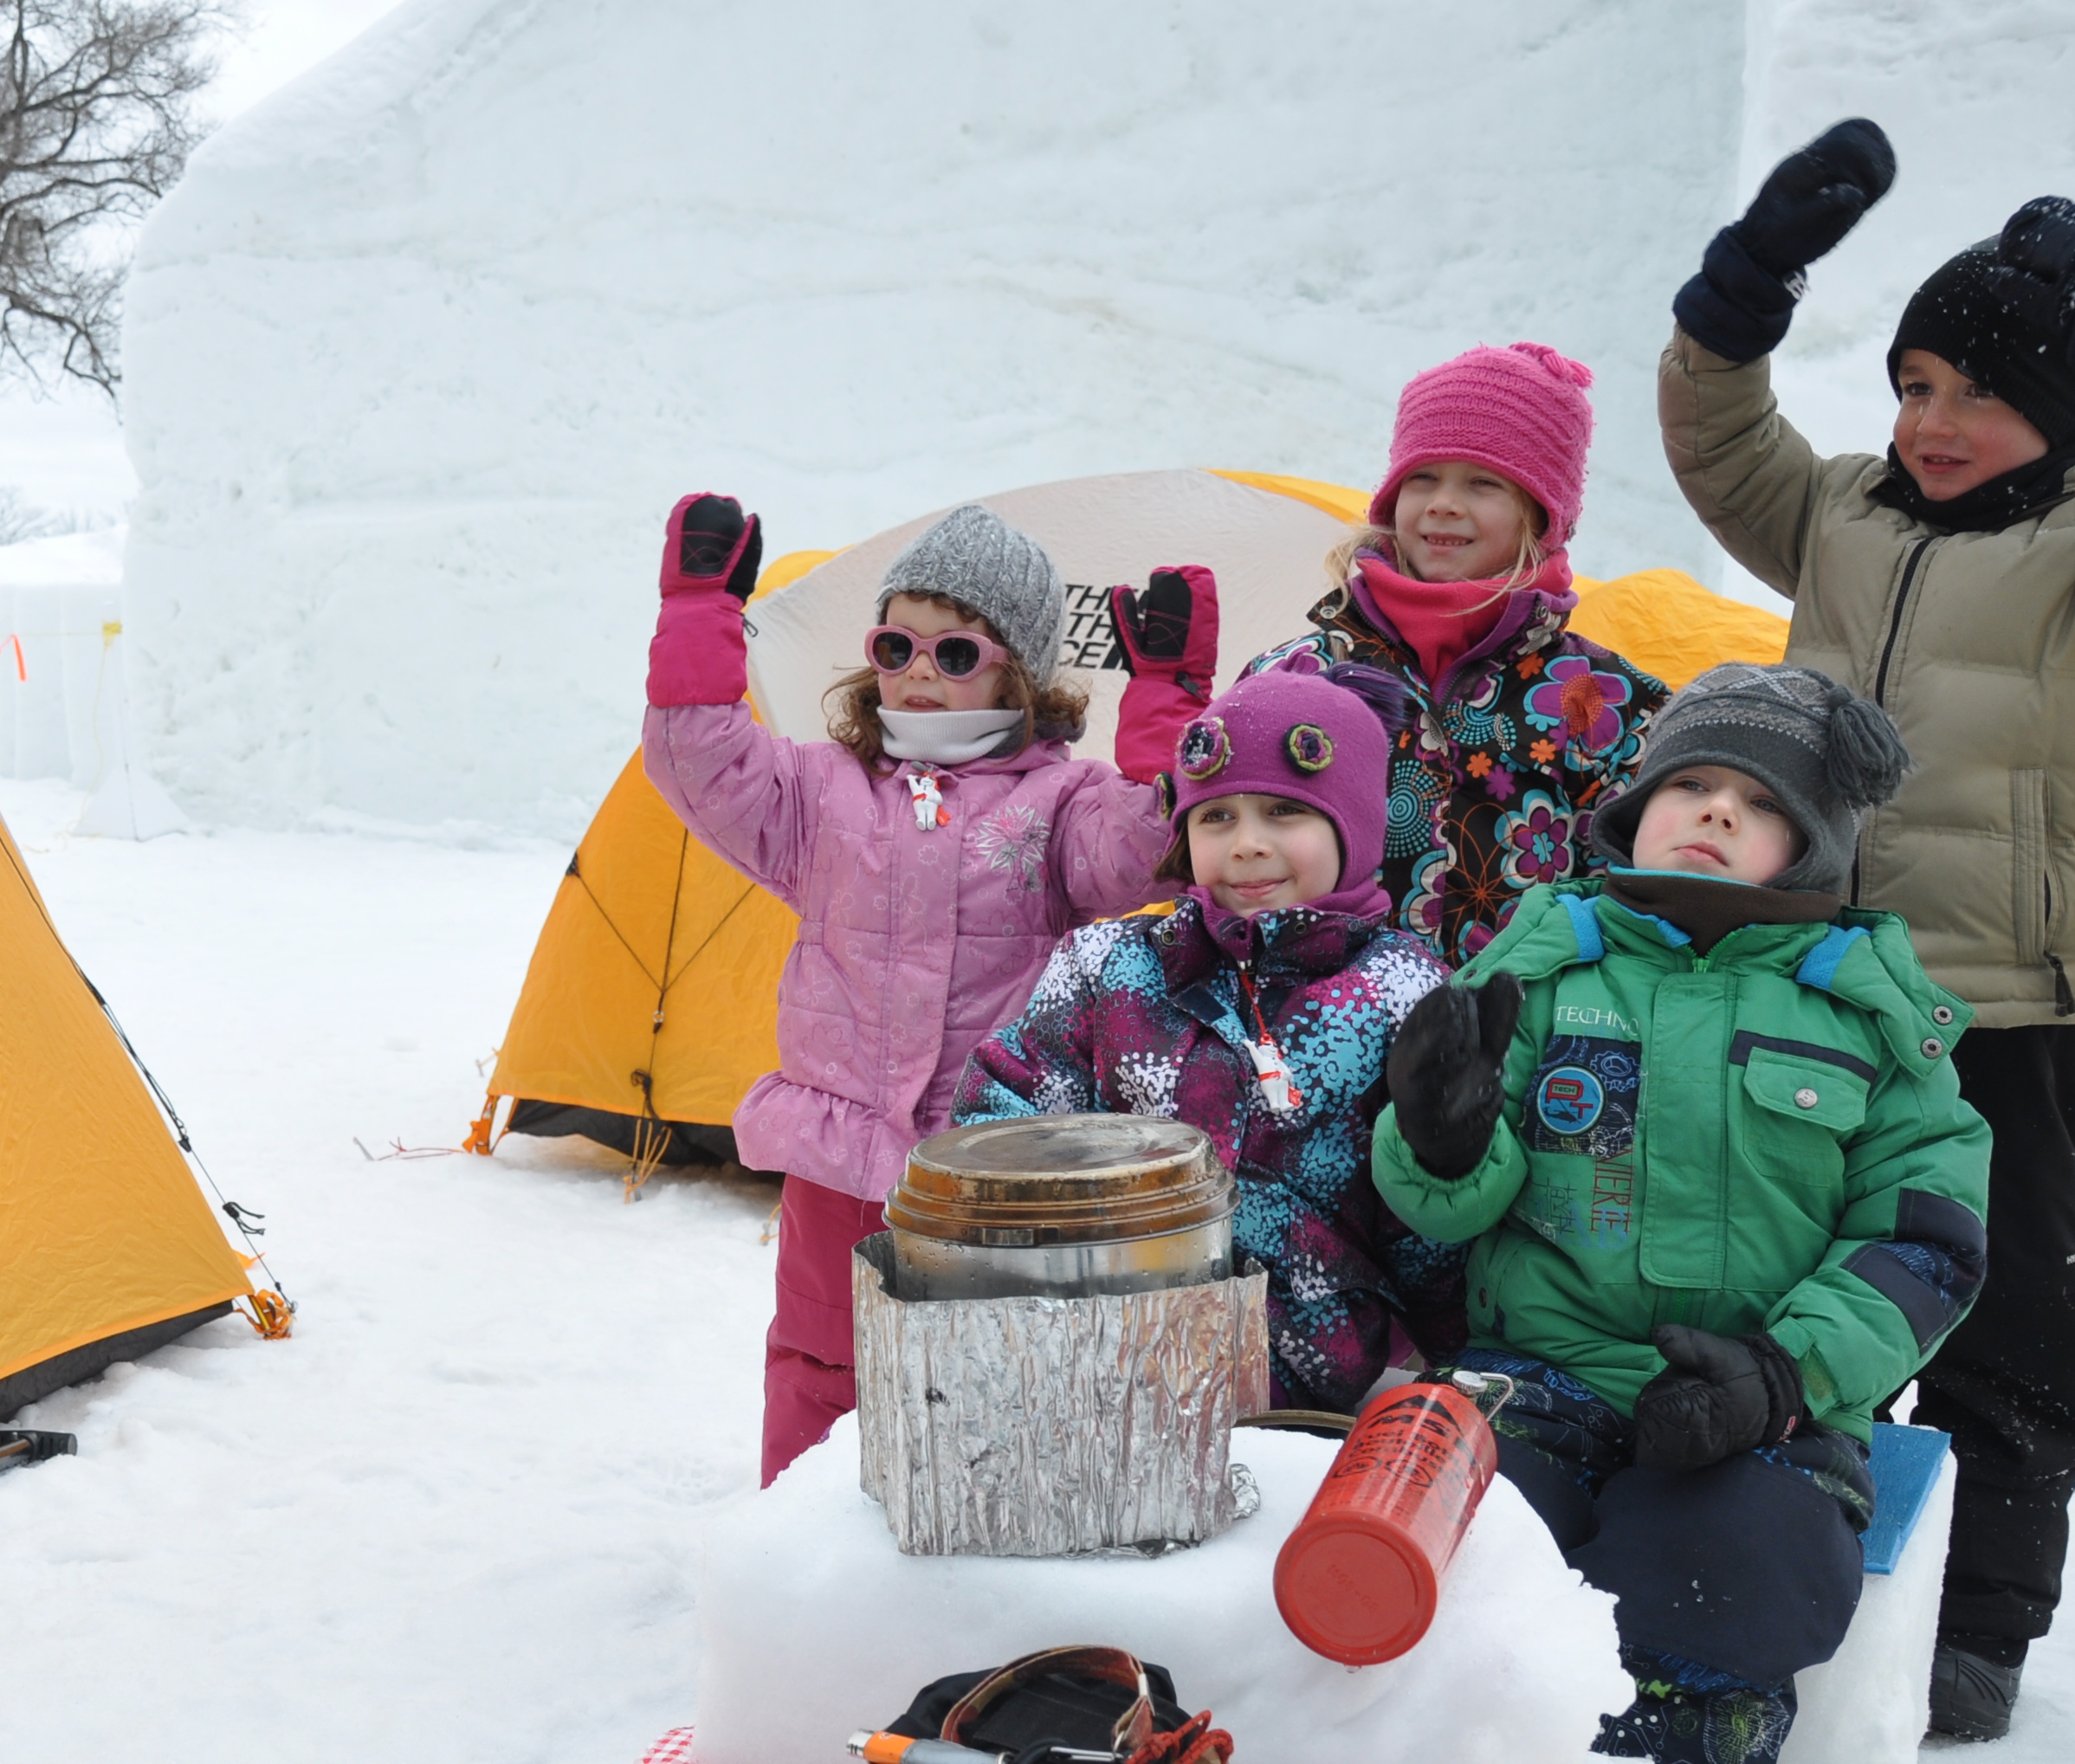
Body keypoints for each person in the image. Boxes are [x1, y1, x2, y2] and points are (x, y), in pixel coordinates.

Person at [1657, 120, 2075, 1740]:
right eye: (1911, 382)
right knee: (1800, 1284)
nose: (1931, 422)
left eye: (1978, 391)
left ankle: (1979, 1621)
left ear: (2065, 406)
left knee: (2010, 1316)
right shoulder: (1839, 515)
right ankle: (1790, 1567)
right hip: (1819, 983)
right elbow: (1714, 431)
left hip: (2009, 1004)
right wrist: (1742, 289)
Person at [1372, 666, 1995, 1764]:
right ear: (1636, 806)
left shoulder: (1869, 1016)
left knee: (1737, 1560)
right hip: (1535, 1363)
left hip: (1762, 1390)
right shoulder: (1544, 966)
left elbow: (1924, 1242)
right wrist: (1437, 1134)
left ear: (1811, 846)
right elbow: (1452, 1205)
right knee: (1448, 1539)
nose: (1710, 815)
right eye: (1688, 786)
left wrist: (1783, 1376)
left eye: (1754, 802)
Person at [641, 494, 1180, 1483]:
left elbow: (1147, 855)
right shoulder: (819, 791)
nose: (919, 672)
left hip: (990, 1166)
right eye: (897, 648)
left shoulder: (1061, 802)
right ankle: (803, 1554)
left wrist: (1167, 708)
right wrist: (696, 617)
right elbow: (698, 762)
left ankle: (967, 1563)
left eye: (956, 653)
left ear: (1018, 668)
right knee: (818, 1359)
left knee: (986, 1374)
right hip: (841, 1156)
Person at [954, 664, 1464, 1411]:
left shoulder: (1403, 994)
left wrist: (1454, 1342)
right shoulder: (1112, 964)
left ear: (1354, 825)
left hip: (1300, 1368)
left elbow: (1426, 1214)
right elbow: (1007, 1111)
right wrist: (1048, 1253)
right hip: (1099, 1340)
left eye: (1284, 813)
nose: (1247, 844)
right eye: (1216, 817)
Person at [1227, 342, 1666, 961]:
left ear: (1542, 515)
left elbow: (1640, 901)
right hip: (1314, 1028)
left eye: (1483, 482)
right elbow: (1218, 849)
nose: (1443, 502)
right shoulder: (1297, 677)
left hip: (1519, 1039)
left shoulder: (1604, 700)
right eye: (1422, 477)